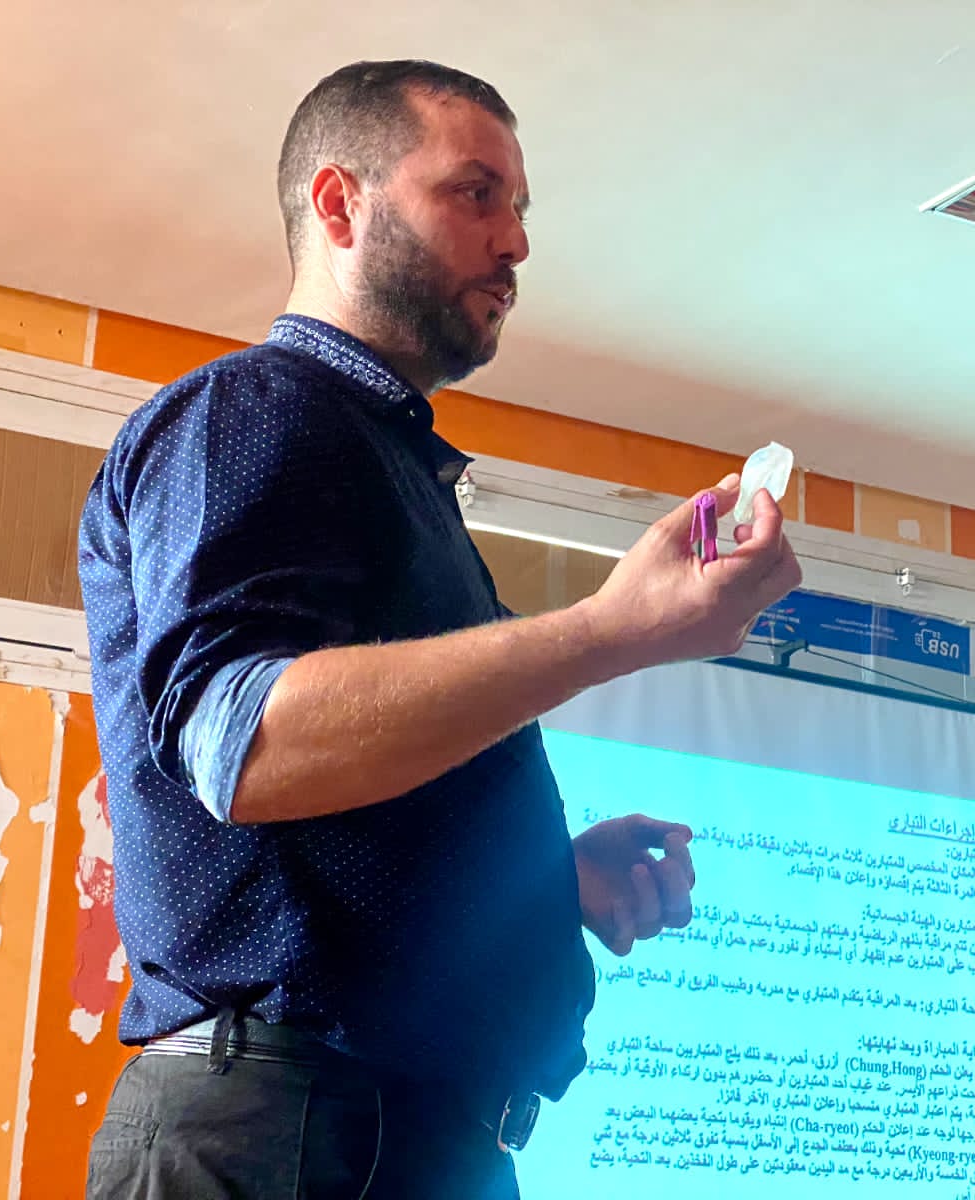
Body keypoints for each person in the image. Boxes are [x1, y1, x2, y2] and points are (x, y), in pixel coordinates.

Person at [77, 59, 802, 1199]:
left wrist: (541, 882)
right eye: (476, 193)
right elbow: (245, 746)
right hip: (295, 1129)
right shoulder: (258, 409)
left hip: (386, 1132)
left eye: (520, 207)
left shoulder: (384, 467)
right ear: (339, 204)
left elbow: (343, 816)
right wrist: (612, 631)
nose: (516, 242)